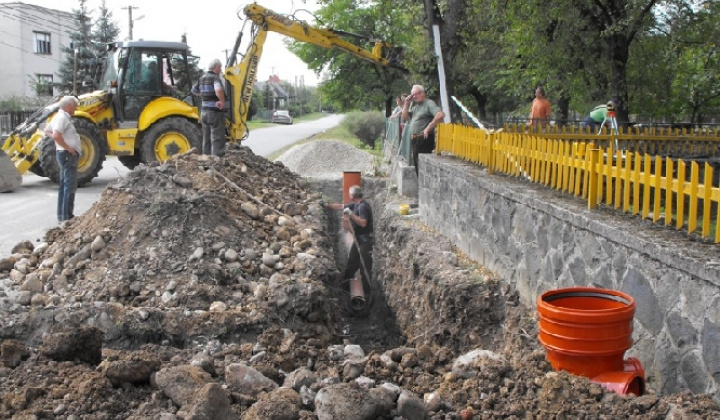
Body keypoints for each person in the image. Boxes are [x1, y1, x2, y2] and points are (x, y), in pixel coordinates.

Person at [324, 185, 374, 304]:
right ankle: (344, 291)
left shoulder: (363, 207)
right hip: (359, 240)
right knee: (351, 263)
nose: (349, 196)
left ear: (354, 195)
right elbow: (341, 206)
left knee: (365, 267)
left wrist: (351, 214)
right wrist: (326, 205)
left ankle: (367, 295)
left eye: (350, 194)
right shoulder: (354, 205)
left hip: (365, 241)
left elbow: (363, 223)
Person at [44, 96, 81, 223]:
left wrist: (60, 143)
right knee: (69, 186)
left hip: (63, 153)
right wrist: (68, 147)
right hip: (67, 154)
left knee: (64, 184)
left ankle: (62, 215)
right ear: (69, 106)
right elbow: (55, 135)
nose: (76, 109)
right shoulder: (62, 117)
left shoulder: (58, 116)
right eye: (75, 106)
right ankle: (67, 217)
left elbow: (47, 130)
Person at [401, 84, 445, 177]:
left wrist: (429, 126)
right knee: (417, 165)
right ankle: (421, 187)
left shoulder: (429, 103)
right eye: (412, 95)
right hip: (415, 139)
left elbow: (440, 115)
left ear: (422, 93)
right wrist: (406, 103)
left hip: (424, 138)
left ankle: (422, 187)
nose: (414, 97)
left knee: (422, 167)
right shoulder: (416, 107)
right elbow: (404, 118)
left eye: (415, 94)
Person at [192, 58, 226, 156]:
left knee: (206, 137)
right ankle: (217, 159)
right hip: (213, 112)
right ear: (216, 67)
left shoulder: (202, 78)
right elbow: (218, 89)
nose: (220, 70)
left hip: (204, 112)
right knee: (217, 137)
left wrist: (203, 96)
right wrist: (221, 101)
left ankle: (206, 158)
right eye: (220, 68)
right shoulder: (214, 78)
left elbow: (193, 90)